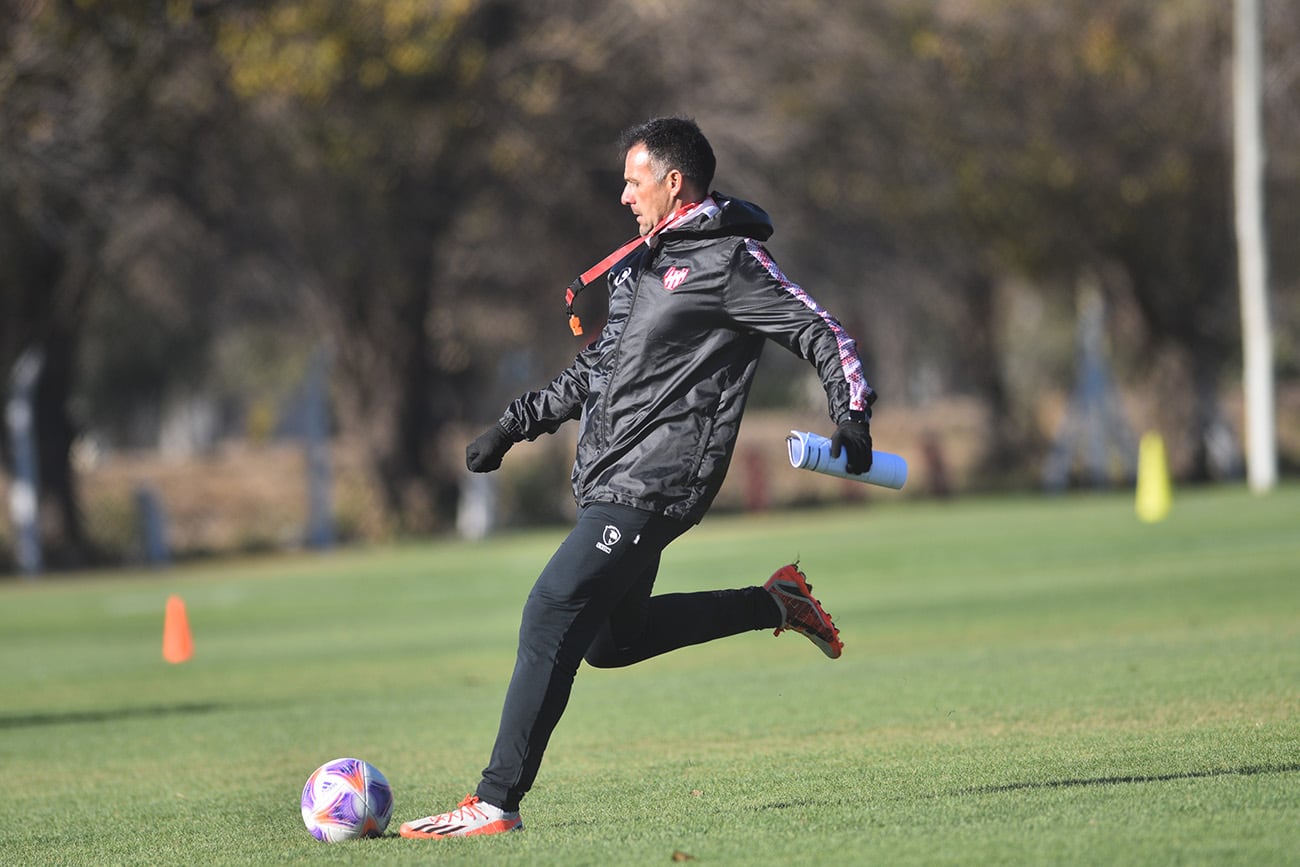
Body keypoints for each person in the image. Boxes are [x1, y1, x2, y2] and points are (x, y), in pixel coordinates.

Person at [399, 116, 876, 839]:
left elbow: (820, 329)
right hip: (608, 478)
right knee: (609, 641)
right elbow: (599, 368)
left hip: (659, 482)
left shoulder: (730, 262)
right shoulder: (638, 266)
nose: (624, 194)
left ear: (674, 182)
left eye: (634, 179)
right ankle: (773, 602)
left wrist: (853, 415)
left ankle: (494, 801)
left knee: (551, 606)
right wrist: (515, 424)